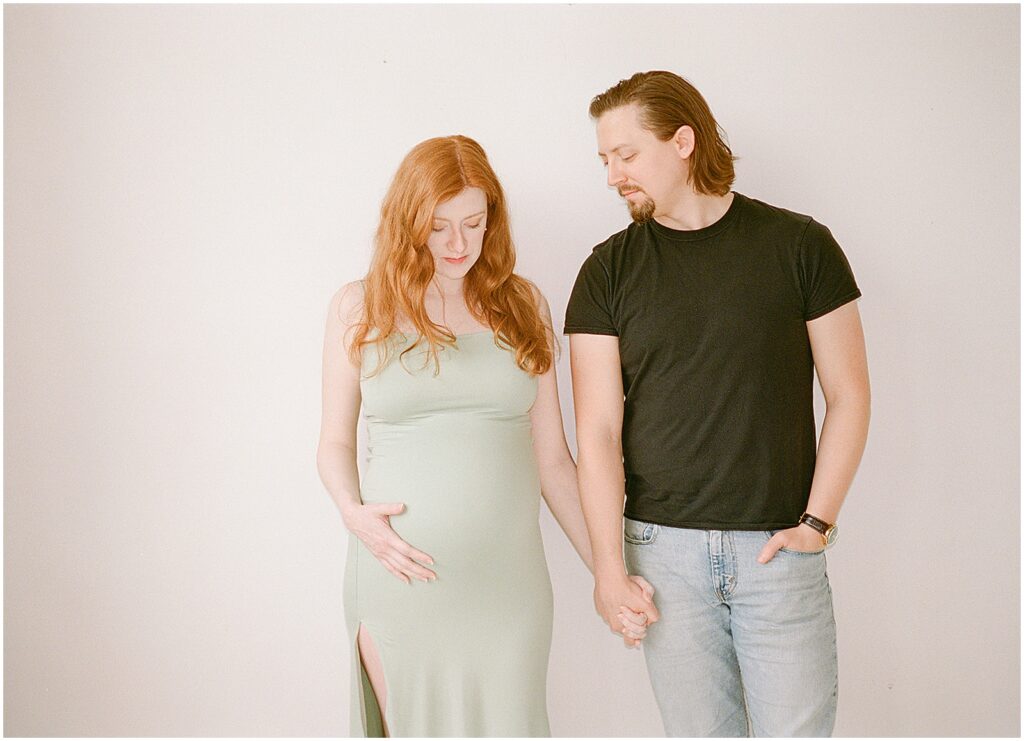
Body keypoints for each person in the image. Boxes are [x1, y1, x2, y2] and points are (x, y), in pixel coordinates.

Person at [317, 134, 655, 737]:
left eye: (473, 223)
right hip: (401, 576)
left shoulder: (524, 305)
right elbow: (334, 443)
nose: (457, 244)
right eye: (439, 225)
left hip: (509, 589)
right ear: (407, 221)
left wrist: (610, 569)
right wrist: (352, 513)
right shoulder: (358, 308)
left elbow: (554, 462)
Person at [565, 71, 870, 737]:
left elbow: (849, 395)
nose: (613, 175)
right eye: (604, 159)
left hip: (778, 550)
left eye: (626, 154)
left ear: (683, 141)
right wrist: (610, 570)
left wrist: (816, 525)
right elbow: (596, 431)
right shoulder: (606, 272)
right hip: (661, 558)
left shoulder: (800, 246)